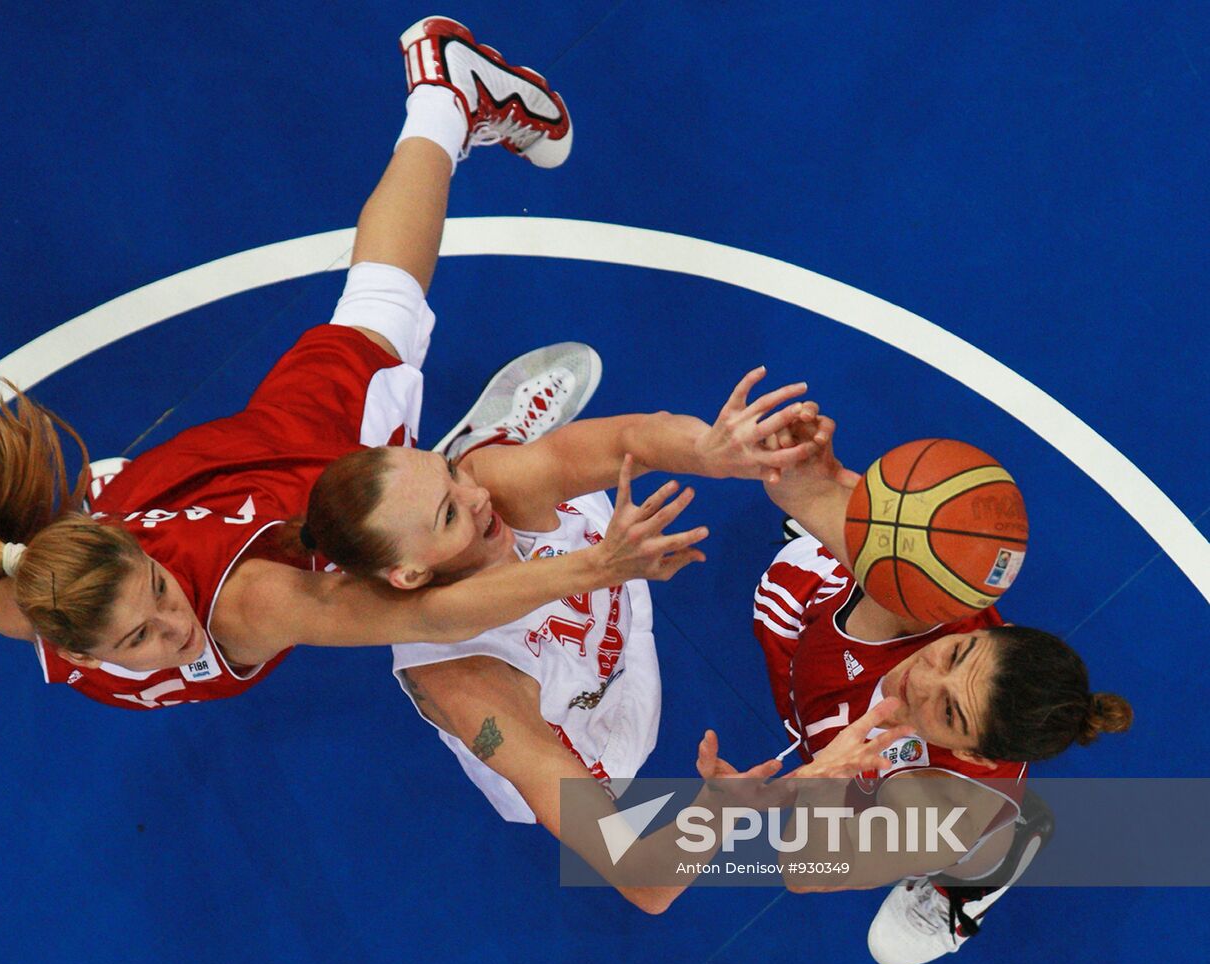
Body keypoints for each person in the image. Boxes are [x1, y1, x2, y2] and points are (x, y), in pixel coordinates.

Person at [0, 17, 705, 710]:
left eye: (158, 598)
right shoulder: (16, 601)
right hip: (647, 741)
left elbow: (639, 865)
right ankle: (446, 478)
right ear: (69, 647)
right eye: (138, 638)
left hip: (299, 475)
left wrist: (605, 565)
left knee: (385, 316)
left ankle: (457, 458)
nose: (174, 630)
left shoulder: (280, 618)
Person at [281, 365, 897, 911]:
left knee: (523, 462)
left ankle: (474, 440)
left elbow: (632, 439)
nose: (476, 495)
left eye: (449, 472)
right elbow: (643, 882)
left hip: (610, 619)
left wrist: (712, 448)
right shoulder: (466, 684)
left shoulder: (494, 489)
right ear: (409, 575)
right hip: (576, 733)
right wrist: (721, 808)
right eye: (448, 512)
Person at [748, 412, 1133, 964]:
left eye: (949, 710)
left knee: (908, 923)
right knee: (805, 573)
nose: (920, 678)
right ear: (985, 633)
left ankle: (981, 877)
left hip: (882, 778)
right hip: (833, 676)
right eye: (956, 654)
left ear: (971, 750)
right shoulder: (931, 600)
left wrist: (826, 781)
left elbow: (805, 871)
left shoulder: (941, 819)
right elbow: (806, 494)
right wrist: (808, 477)